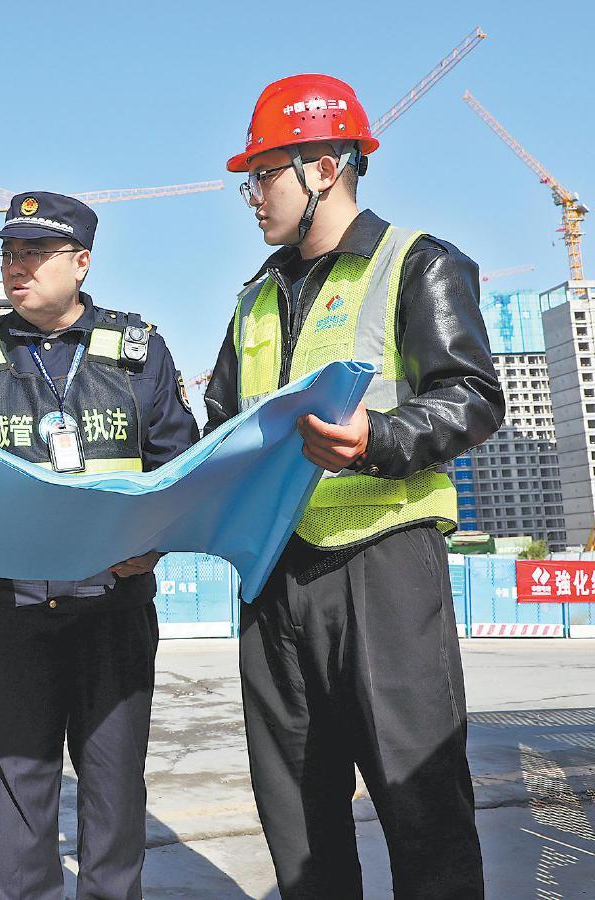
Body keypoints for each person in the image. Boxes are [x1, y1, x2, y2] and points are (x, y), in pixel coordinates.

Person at [205, 75, 504, 898]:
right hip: (273, 576)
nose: (253, 196)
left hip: (383, 565)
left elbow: (473, 397)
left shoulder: (417, 263)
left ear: (325, 168)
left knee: (420, 801)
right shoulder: (254, 300)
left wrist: (378, 439)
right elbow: (219, 425)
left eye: (263, 175)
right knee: (297, 815)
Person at [0, 191, 200, 899]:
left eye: (35, 253)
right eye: (8, 253)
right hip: (11, 607)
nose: (16, 266)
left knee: (114, 785)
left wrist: (155, 545)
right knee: (16, 785)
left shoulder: (137, 351)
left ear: (81, 263)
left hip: (114, 603)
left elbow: (181, 465)